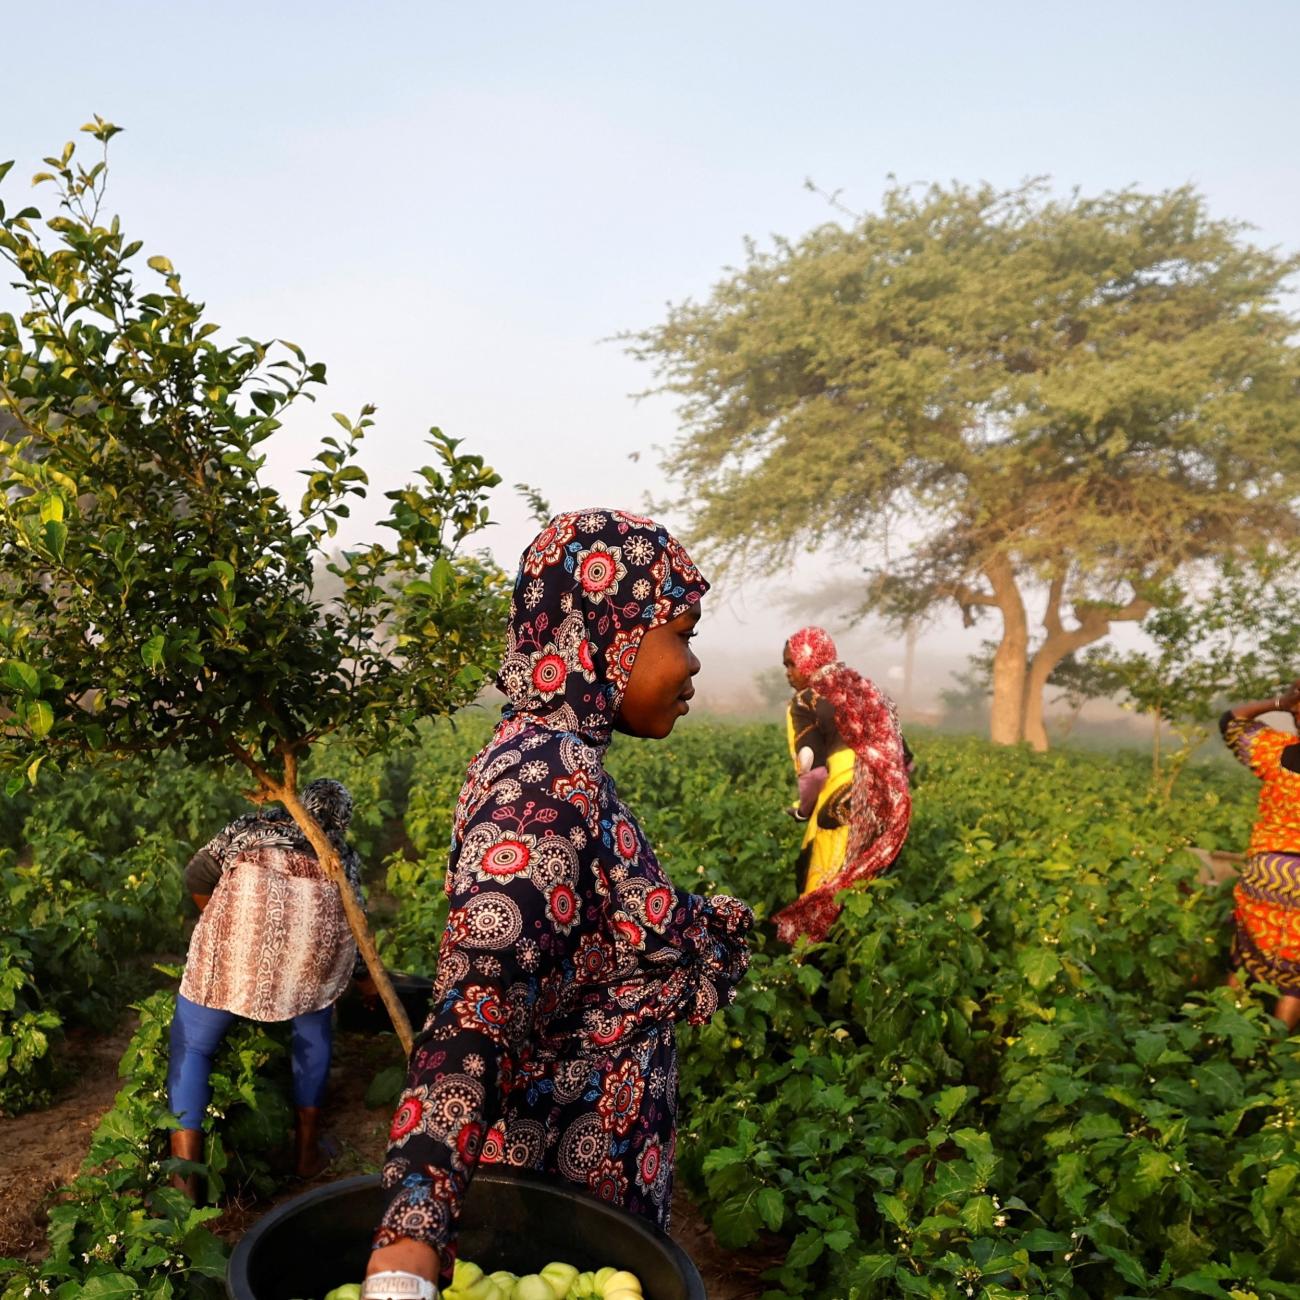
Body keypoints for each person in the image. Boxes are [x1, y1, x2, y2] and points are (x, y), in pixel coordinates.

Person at [363, 509, 753, 1300]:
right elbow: (480, 1000)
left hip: (581, 1203)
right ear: (606, 630)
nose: (694, 664)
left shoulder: (553, 755)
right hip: (558, 1214)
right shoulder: (545, 778)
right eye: (680, 633)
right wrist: (411, 1236)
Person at [168, 777, 364, 1193]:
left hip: (233, 948)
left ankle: (184, 1181)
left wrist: (220, 918)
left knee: (194, 1048)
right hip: (306, 962)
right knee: (313, 1032)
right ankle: (307, 1154)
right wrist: (358, 978)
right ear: (341, 821)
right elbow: (356, 924)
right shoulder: (341, 855)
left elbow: (197, 877)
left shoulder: (249, 829)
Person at [774, 626, 912, 945]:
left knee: (823, 890)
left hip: (840, 804)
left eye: (791, 663)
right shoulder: (869, 691)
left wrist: (803, 810)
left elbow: (812, 770)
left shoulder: (806, 700)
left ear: (808, 662)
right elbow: (905, 759)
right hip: (887, 810)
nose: (788, 673)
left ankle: (810, 967)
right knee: (867, 892)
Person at [1220, 680, 1300, 1031]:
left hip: (1265, 873)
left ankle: (1222, 1033)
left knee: (1242, 958)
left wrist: (1281, 702)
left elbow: (1231, 721)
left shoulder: (1274, 750)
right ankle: (1275, 1057)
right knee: (1294, 979)